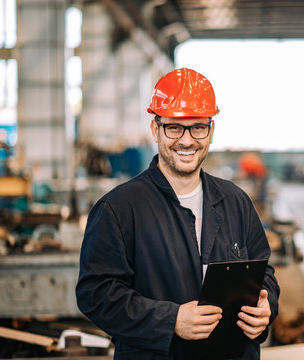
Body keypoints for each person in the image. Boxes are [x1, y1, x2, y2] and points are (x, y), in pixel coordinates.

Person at [76, 68, 280, 360]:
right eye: (174, 127)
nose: (186, 141)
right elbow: (96, 295)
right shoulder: (118, 209)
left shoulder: (236, 202)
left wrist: (266, 306)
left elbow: (265, 273)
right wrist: (170, 320)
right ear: (155, 129)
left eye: (198, 127)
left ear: (211, 132)